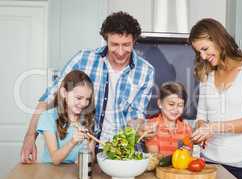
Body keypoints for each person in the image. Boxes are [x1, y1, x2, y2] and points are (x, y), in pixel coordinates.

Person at [20, 11, 155, 163]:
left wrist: (142, 126)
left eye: (126, 45)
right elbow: (50, 96)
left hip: (119, 152)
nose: (120, 51)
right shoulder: (83, 59)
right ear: (106, 40)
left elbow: (135, 115)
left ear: (134, 41)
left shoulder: (146, 71)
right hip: (86, 147)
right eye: (114, 44)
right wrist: (30, 136)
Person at [189, 18, 242, 179]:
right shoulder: (207, 74)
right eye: (198, 52)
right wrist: (202, 130)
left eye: (205, 49)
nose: (202, 56)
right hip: (208, 162)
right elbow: (201, 116)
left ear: (218, 40)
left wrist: (213, 128)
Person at [37, 70, 95, 164]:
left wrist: (86, 161)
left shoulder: (88, 119)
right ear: (64, 92)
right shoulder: (48, 117)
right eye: (79, 98)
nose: (84, 103)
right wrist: (73, 142)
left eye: (87, 99)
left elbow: (92, 156)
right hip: (51, 172)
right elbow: (55, 160)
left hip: (76, 173)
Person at [143, 82, 192, 156]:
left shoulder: (187, 129)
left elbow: (188, 155)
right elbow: (154, 155)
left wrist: (187, 151)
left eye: (180, 105)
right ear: (160, 103)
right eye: (171, 104)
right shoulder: (151, 127)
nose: (175, 109)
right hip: (159, 167)